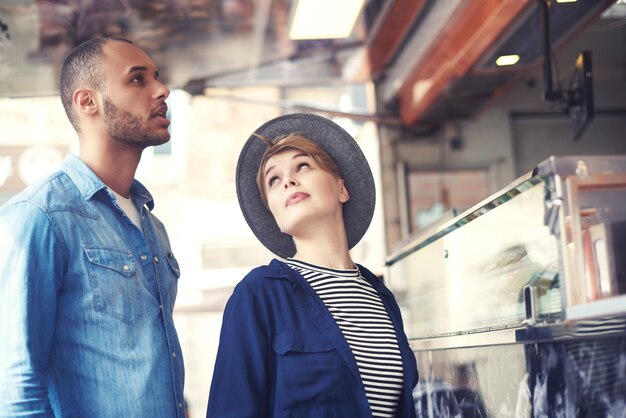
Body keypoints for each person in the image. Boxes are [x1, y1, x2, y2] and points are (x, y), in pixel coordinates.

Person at [0, 37, 186, 417]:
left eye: (157, 77)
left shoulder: (153, 225)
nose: (162, 90)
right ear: (88, 102)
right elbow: (15, 388)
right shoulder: (40, 216)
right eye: (138, 80)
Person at [206, 113, 419, 418]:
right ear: (276, 217)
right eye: (273, 180)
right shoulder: (259, 295)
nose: (288, 181)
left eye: (302, 166)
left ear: (342, 189)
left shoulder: (381, 297)